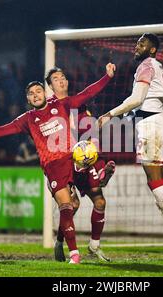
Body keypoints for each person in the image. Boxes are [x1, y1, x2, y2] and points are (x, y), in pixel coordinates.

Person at [0, 63, 115, 264]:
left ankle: (80, 232)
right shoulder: (27, 119)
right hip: (53, 167)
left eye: (38, 91)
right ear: (28, 99)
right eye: (31, 93)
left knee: (93, 201)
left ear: (44, 92)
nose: (36, 95)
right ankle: (74, 254)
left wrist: (107, 77)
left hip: (74, 160)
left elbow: (87, 94)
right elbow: (1, 130)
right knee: (67, 206)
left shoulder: (61, 104)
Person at [98, 33, 163, 258]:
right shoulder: (160, 67)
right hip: (162, 121)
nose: (137, 47)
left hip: (150, 124)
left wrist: (110, 114)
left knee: (153, 178)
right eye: (136, 43)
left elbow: (137, 99)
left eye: (142, 44)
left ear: (152, 49)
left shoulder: (145, 66)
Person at [45, 67, 115, 262]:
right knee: (72, 205)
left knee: (100, 202)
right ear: (50, 86)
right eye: (56, 79)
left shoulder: (79, 105)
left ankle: (94, 245)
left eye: (63, 77)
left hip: (81, 160)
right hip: (61, 163)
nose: (61, 80)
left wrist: (93, 145)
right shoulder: (47, 109)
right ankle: (60, 241)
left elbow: (90, 131)